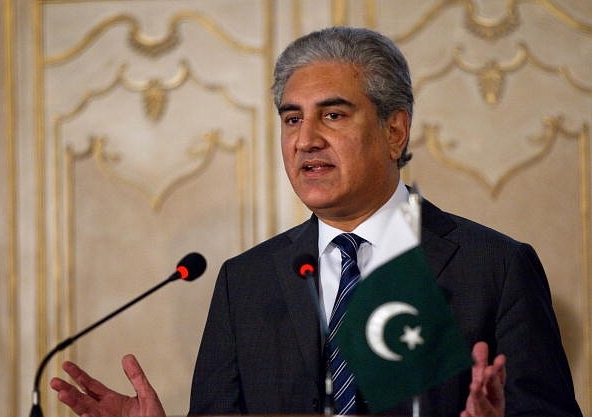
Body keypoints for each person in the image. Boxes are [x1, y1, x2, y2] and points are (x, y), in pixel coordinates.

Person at [50, 27, 582, 417]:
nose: (306, 139)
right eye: (291, 118)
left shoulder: (496, 267)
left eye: (333, 115)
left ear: (395, 131)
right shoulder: (245, 281)